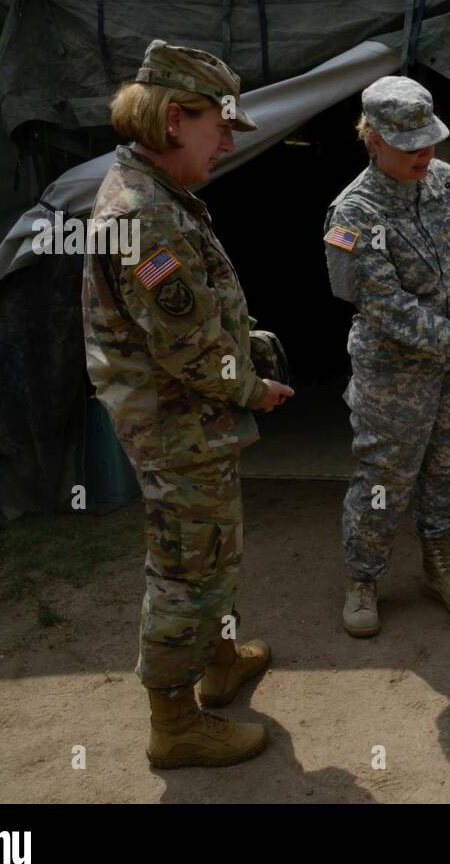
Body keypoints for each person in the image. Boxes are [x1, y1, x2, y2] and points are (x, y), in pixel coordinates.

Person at [82, 39, 294, 768]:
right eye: (221, 127)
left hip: (190, 420)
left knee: (211, 552)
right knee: (185, 570)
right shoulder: (142, 215)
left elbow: (189, 319)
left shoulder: (156, 195)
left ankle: (220, 660)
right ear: (176, 119)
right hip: (176, 424)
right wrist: (253, 386)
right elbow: (189, 349)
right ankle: (174, 725)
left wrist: (245, 337)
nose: (229, 143)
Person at [324, 76, 450, 638]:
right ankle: (363, 578)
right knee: (385, 475)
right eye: (409, 148)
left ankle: (439, 566)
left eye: (428, 142)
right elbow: (388, 309)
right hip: (393, 374)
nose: (423, 155)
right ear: (373, 139)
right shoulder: (352, 214)